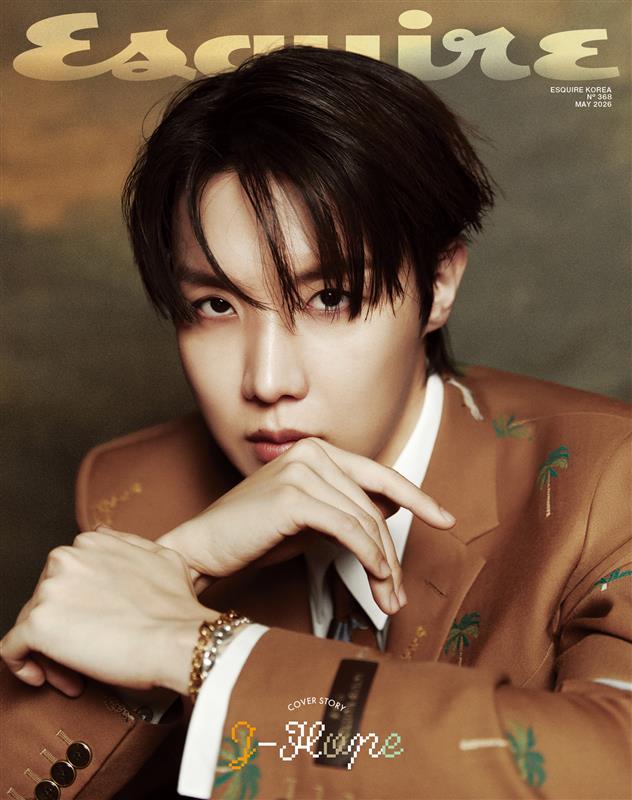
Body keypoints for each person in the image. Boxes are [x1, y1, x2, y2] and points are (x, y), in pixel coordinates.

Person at [1, 45, 630, 800]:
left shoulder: (608, 482)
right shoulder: (138, 494)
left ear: (437, 284)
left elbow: (610, 767)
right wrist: (177, 566)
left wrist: (206, 653)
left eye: (330, 297)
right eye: (215, 305)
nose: (268, 381)